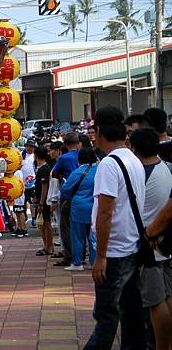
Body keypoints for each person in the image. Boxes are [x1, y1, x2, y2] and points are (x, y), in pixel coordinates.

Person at [84, 106, 147, 350]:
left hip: (114, 252)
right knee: (131, 314)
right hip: (132, 247)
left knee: (107, 316)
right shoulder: (133, 159)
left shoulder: (109, 164)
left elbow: (105, 212)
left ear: (99, 132)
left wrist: (100, 256)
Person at [129, 127, 172, 350]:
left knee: (155, 301)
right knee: (167, 296)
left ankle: (162, 345)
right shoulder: (166, 167)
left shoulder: (140, 173)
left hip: (149, 242)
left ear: (134, 148)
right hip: (165, 242)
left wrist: (148, 235)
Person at [61, 147, 98, 271]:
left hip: (78, 207)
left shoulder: (77, 172)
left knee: (77, 236)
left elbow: (66, 189)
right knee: (93, 236)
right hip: (95, 207)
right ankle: (94, 262)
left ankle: (77, 263)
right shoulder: (99, 170)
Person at [52, 132, 81, 267]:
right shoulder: (82, 155)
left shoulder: (63, 158)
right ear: (78, 143)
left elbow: (54, 173)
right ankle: (81, 253)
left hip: (67, 195)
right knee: (80, 227)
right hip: (83, 193)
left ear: (65, 144)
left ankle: (69, 255)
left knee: (66, 227)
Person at [34, 146, 53, 256]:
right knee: (44, 224)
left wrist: (41, 202)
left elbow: (44, 186)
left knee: (46, 223)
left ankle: (49, 247)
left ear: (36, 156)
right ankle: (47, 246)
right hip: (42, 200)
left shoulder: (44, 169)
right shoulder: (42, 168)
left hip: (45, 201)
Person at [21, 139, 37, 227]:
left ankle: (34, 218)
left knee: (32, 201)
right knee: (23, 201)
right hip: (22, 182)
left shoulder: (35, 156)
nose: (29, 148)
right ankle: (25, 216)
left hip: (33, 182)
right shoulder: (21, 155)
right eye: (28, 146)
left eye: (31, 146)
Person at [12, 168, 27, 238]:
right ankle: (19, 227)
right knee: (17, 212)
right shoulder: (14, 172)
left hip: (19, 194)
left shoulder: (18, 172)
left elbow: (18, 183)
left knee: (20, 211)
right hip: (15, 195)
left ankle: (23, 229)